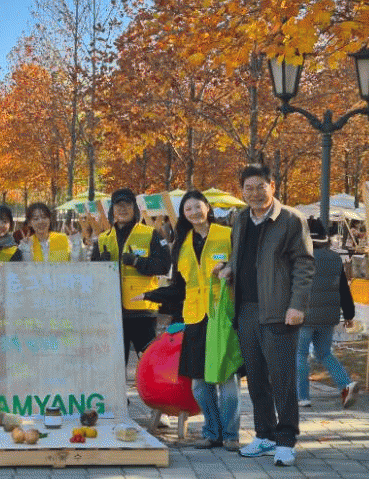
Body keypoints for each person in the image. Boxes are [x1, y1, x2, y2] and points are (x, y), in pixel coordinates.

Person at [218, 163, 314, 467]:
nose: (255, 193)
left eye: (261, 186)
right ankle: (265, 435)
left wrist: (297, 305)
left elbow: (304, 265)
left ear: (272, 186)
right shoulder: (240, 219)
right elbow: (239, 255)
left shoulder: (291, 219)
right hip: (246, 309)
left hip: (279, 310)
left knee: (282, 378)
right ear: (242, 191)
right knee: (257, 378)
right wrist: (229, 268)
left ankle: (286, 440)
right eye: (249, 188)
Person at [135, 190, 241, 450]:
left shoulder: (227, 235)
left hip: (222, 315)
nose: (194, 212)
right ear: (183, 214)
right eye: (188, 209)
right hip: (194, 317)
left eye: (198, 206)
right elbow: (179, 287)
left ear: (208, 207)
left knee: (227, 379)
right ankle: (212, 432)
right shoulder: (181, 244)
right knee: (199, 384)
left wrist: (229, 268)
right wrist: (150, 294)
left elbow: (246, 269)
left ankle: (230, 434)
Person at [91, 188, 171, 365]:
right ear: (112, 210)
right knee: (115, 364)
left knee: (149, 362)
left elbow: (164, 265)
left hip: (142, 311)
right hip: (112, 311)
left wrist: (137, 262)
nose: (123, 209)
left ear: (135, 208)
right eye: (118, 205)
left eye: (127, 204)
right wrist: (100, 265)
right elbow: (92, 276)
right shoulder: (103, 239)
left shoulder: (150, 233)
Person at [297, 230, 358, 409]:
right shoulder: (335, 259)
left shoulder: (300, 258)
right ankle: (346, 385)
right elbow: (343, 289)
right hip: (328, 318)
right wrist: (349, 315)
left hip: (304, 317)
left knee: (300, 354)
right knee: (324, 353)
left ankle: (303, 397)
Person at [18, 202, 82, 262]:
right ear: (29, 223)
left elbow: (75, 263)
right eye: (36, 219)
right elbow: (27, 267)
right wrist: (26, 250)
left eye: (44, 217)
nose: (41, 221)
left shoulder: (64, 239)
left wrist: (76, 241)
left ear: (49, 219)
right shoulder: (26, 244)